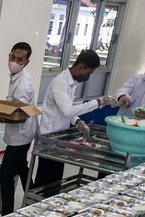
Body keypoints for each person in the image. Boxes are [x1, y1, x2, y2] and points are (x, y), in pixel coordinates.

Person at [34, 49, 117, 189]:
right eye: (89, 73)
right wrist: (99, 102)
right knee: (45, 182)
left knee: (54, 181)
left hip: (58, 139)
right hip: (49, 140)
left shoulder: (71, 83)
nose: (88, 76)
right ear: (81, 67)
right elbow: (67, 110)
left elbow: (66, 110)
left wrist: (78, 121)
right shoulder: (61, 83)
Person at [0, 42, 39, 215]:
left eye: (19, 59)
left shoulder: (23, 84)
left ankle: (6, 214)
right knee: (22, 166)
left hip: (20, 135)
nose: (14, 61)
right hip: (25, 133)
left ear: (26, 62)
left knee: (5, 177)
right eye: (12, 57)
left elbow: (20, 115)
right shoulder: (18, 76)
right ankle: (35, 200)